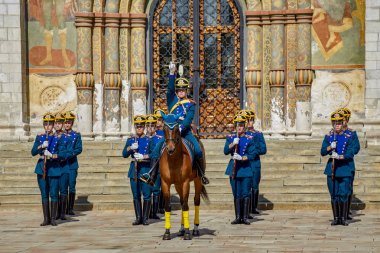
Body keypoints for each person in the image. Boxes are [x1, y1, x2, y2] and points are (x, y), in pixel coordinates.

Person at [141, 62, 209, 186]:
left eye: (183, 90)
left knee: (198, 150)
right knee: (156, 150)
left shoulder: (191, 104)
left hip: (185, 132)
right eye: (179, 90)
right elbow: (170, 89)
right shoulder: (172, 100)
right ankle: (151, 174)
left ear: (186, 91)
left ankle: (201, 174)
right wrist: (172, 74)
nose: (181, 92)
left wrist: (181, 127)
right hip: (170, 132)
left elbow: (188, 118)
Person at [320, 111, 355, 226]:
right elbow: (323, 152)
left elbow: (351, 152)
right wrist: (330, 147)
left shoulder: (349, 136)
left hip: (344, 169)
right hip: (332, 169)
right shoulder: (329, 137)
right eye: (335, 123)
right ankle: (336, 218)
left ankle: (343, 218)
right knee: (334, 194)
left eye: (339, 123)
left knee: (343, 194)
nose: (337, 125)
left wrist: (340, 156)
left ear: (343, 123)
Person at [224, 114, 258, 225]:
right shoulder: (230, 138)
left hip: (245, 169)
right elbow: (225, 151)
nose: (239, 128)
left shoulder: (250, 139)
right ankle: (238, 217)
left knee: (245, 193)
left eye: (242, 126)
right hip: (234, 169)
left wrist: (242, 158)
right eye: (237, 125)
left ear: (245, 127)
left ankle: (245, 217)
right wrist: (232, 144)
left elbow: (252, 154)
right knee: (236, 193)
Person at [31, 113, 62, 226]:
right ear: (44, 126)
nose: (47, 127)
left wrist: (52, 155)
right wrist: (41, 146)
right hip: (42, 168)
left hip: (53, 168)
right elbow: (33, 152)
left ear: (53, 125)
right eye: (45, 125)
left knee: (53, 194)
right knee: (44, 194)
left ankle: (53, 218)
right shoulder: (40, 137)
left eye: (50, 125)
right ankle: (46, 219)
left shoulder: (58, 138)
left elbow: (62, 153)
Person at [123, 115, 153, 225]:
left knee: (146, 194)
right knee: (135, 195)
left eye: (141, 126)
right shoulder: (131, 139)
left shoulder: (149, 140)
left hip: (145, 169)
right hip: (134, 170)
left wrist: (144, 157)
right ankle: (138, 217)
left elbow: (154, 154)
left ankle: (145, 218)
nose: (139, 128)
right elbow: (124, 154)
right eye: (137, 126)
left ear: (144, 127)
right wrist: (130, 148)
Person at [243, 110, 267, 215]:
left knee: (255, 185)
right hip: (244, 163)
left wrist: (253, 151)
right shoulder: (241, 135)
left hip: (254, 163)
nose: (249, 122)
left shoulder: (258, 134)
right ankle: (246, 209)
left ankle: (253, 207)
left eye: (251, 120)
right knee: (245, 186)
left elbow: (263, 149)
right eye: (246, 120)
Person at [338, 108, 360, 220]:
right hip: (336, 165)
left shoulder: (352, 133)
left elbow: (356, 148)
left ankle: (347, 211)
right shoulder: (334, 133)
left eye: (344, 119)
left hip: (348, 164)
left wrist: (347, 154)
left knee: (349, 188)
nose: (343, 121)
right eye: (341, 119)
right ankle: (339, 214)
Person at [62, 111, 82, 215]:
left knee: (72, 185)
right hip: (62, 164)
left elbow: (79, 149)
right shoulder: (59, 135)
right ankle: (63, 208)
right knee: (63, 186)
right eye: (65, 122)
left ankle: (70, 208)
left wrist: (69, 155)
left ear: (72, 123)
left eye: (69, 123)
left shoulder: (76, 135)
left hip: (72, 164)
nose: (67, 124)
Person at [145, 114, 163, 219]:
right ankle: (147, 212)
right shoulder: (143, 138)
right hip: (146, 167)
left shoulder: (160, 138)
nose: (151, 127)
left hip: (157, 167)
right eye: (149, 125)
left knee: (156, 189)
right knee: (147, 190)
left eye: (153, 125)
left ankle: (154, 213)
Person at [53, 112, 69, 220]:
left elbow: (69, 151)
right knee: (55, 189)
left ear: (63, 124)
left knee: (63, 189)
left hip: (63, 165)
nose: (58, 125)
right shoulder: (50, 137)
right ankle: (56, 212)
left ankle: (63, 212)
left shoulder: (66, 137)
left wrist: (60, 157)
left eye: (60, 123)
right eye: (56, 123)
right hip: (54, 167)